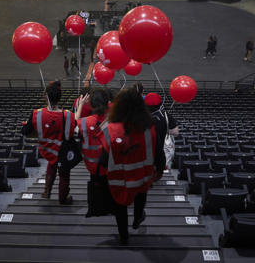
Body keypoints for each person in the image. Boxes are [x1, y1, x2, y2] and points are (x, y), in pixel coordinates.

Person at [101, 88, 157, 244]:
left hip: (119, 180)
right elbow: (156, 151)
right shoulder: (149, 127)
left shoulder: (109, 130)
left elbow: (103, 159)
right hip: (142, 177)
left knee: (120, 207)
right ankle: (137, 219)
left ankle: (124, 235)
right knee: (140, 196)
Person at [21, 81, 76, 204]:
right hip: (61, 151)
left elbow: (25, 131)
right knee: (64, 174)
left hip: (47, 150)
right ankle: (63, 198)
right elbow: (71, 132)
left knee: (51, 165)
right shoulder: (68, 115)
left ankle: (47, 191)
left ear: (46, 97)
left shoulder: (37, 114)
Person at [75, 88, 110, 176]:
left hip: (91, 165)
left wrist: (81, 105)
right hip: (109, 165)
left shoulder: (83, 123)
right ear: (107, 103)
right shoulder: (113, 121)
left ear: (91, 104)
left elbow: (74, 124)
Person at [144, 93, 179, 171]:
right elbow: (176, 132)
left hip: (143, 154)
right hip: (160, 153)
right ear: (160, 104)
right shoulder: (165, 115)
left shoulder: (138, 115)